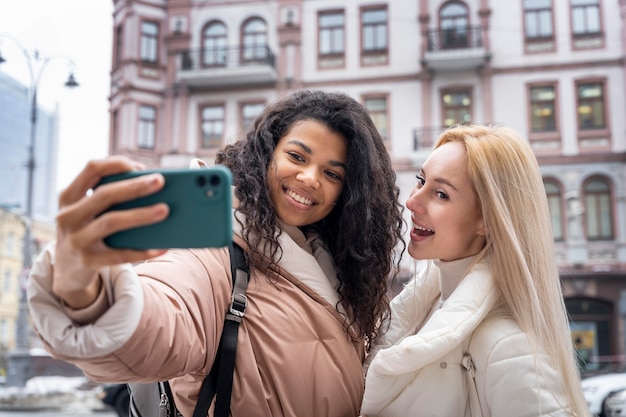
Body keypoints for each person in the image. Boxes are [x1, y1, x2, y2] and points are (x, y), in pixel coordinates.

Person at [27, 89, 405, 417]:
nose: (310, 178)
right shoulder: (216, 251)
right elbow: (161, 319)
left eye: (332, 173)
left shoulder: (338, 265)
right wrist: (83, 288)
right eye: (298, 157)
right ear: (266, 153)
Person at [360, 124, 589, 417]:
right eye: (421, 181)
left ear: (488, 220)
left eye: (441, 194)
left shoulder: (506, 344)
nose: (412, 201)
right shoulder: (423, 308)